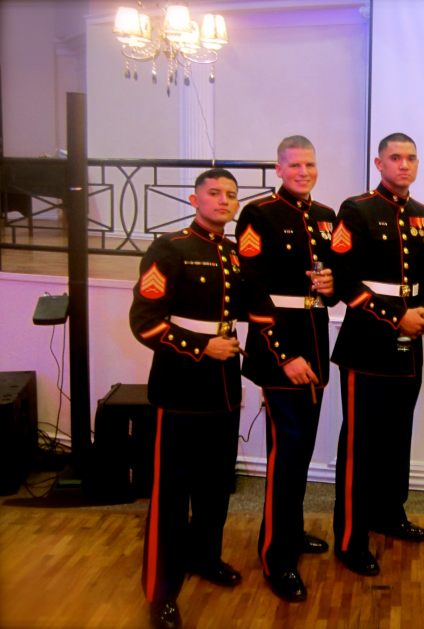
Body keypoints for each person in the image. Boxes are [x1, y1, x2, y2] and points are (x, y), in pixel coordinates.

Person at [129, 169, 244, 629]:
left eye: (231, 195)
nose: (223, 200)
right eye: (214, 193)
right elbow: (145, 322)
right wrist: (200, 347)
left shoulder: (233, 253)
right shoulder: (170, 248)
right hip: (179, 388)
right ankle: (161, 593)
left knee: (215, 488)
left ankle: (205, 557)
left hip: (224, 388)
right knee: (171, 496)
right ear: (196, 200)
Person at [329, 132, 424, 576]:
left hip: (409, 347)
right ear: (379, 164)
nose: (404, 165)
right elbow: (344, 280)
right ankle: (350, 539)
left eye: (411, 158)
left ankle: (390, 514)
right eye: (395, 158)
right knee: (360, 445)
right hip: (367, 344)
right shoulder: (356, 209)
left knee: (397, 437)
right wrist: (398, 317)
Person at [235, 136, 336, 602]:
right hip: (282, 353)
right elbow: (252, 289)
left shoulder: (325, 216)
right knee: (286, 454)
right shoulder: (258, 214)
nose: (303, 172)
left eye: (309, 164)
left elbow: (330, 286)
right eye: (295, 165)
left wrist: (332, 286)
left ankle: (290, 532)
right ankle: (276, 558)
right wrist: (284, 356)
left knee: (301, 452)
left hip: (314, 342)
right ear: (278, 168)